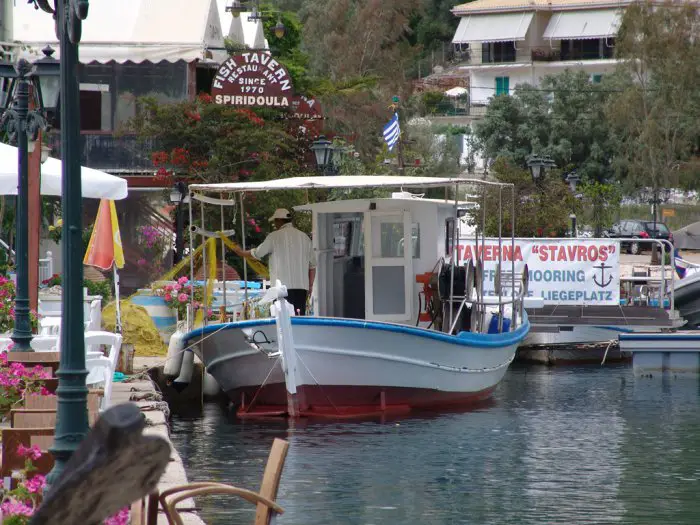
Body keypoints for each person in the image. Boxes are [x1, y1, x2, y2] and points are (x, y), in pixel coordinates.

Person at [234, 208, 315, 315]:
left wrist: (241, 253)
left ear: (279, 220)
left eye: (275, 221)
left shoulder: (274, 237)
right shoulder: (305, 237)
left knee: (282, 321)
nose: (275, 224)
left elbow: (258, 253)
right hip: (301, 288)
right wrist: (310, 286)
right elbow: (312, 266)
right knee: (299, 319)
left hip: (281, 289)